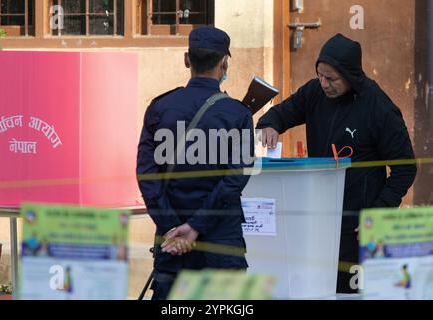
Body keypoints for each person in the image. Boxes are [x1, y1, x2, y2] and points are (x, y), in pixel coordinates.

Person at [256, 33, 417, 293]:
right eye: (320, 75)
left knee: (349, 292)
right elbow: (284, 111)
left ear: (351, 75)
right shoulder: (314, 92)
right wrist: (269, 124)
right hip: (318, 218)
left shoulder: (379, 108)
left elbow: (406, 169)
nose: (324, 84)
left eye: (331, 78)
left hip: (357, 224)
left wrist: (377, 213)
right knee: (317, 288)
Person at [136, 26, 254, 300]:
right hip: (221, 243)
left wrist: (172, 228)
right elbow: (236, 177)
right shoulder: (237, 114)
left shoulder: (159, 108)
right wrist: (197, 225)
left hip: (172, 243)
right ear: (224, 62)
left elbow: (146, 173)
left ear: (187, 60)